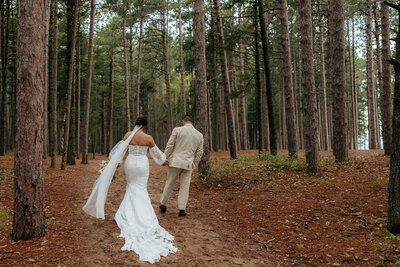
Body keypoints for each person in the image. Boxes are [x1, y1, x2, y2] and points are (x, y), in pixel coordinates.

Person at [83, 117, 177, 264]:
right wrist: (163, 161)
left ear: (136, 125)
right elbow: (157, 154)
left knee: (131, 187)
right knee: (141, 189)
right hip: (142, 165)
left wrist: (114, 163)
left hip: (131, 163)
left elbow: (119, 151)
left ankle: (126, 213)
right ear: (145, 125)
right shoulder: (148, 138)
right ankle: (142, 215)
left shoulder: (128, 135)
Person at [159, 115, 204, 216]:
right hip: (188, 164)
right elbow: (200, 152)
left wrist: (164, 158)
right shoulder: (199, 135)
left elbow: (170, 145)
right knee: (185, 186)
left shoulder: (177, 130)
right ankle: (182, 209)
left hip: (175, 161)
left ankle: (163, 203)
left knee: (169, 182)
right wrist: (194, 164)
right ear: (191, 122)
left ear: (183, 121)